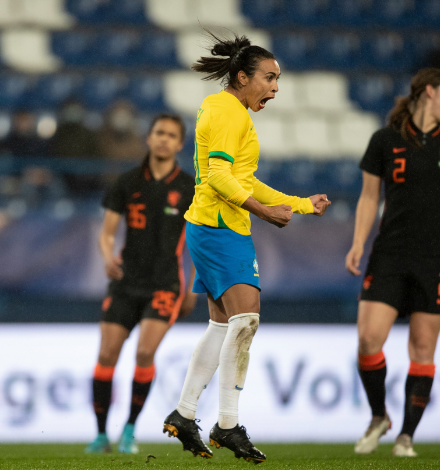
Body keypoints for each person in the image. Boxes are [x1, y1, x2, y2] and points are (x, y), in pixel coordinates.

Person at [161, 31, 331, 464]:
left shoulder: (228, 111)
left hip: (216, 225)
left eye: (278, 80)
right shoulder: (226, 112)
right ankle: (228, 424)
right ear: (242, 76)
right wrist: (263, 212)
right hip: (219, 227)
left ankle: (184, 414)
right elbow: (218, 176)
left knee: (224, 326)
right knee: (246, 320)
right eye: (269, 79)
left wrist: (298, 205)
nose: (275, 88)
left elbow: (242, 177)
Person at [345, 68, 440, 457]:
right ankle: (379, 415)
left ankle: (406, 437)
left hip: (438, 259)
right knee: (368, 339)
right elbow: (368, 198)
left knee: (423, 347)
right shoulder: (384, 141)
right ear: (429, 92)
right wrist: (358, 242)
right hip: (389, 254)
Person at [85, 113, 198, 455]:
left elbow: (201, 241)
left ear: (180, 144)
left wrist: (196, 283)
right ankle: (102, 434)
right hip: (125, 281)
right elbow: (107, 234)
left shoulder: (190, 188)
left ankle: (130, 430)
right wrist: (107, 256)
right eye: (158, 133)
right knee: (106, 354)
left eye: (171, 135)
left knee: (145, 352)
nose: (163, 139)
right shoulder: (126, 182)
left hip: (165, 284)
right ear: (148, 139)